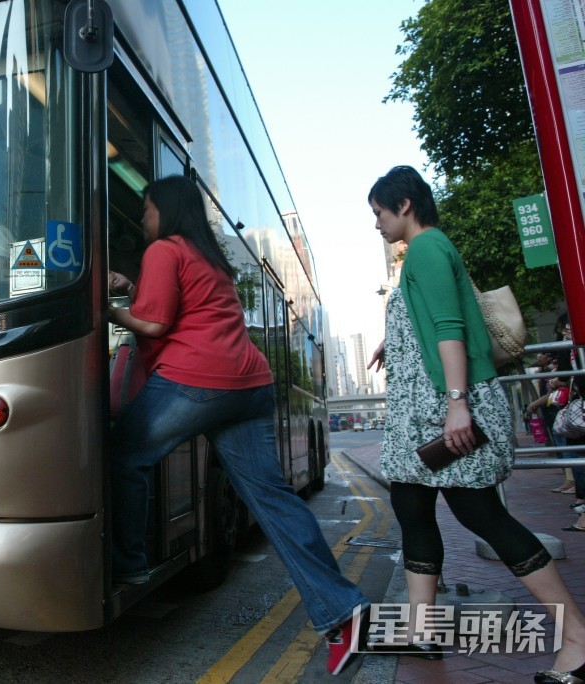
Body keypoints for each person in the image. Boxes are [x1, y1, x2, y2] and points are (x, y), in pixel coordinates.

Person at [107, 175, 369, 676]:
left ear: (165, 210)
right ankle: (344, 610)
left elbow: (157, 325)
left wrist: (110, 309)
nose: (143, 218)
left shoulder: (163, 249)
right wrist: (134, 288)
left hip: (195, 381)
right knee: (273, 499)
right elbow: (186, 308)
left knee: (125, 454)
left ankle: (130, 563)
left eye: (146, 208)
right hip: (249, 385)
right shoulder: (209, 256)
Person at [365, 165, 585, 682]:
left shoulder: (426, 249)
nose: (375, 223)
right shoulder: (424, 252)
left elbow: (450, 326)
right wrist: (391, 341)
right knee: (412, 504)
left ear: (404, 206)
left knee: (482, 515)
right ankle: (422, 631)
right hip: (424, 408)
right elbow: (431, 318)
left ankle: (575, 635)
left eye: (378, 212)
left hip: (446, 403)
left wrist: (457, 402)